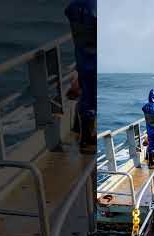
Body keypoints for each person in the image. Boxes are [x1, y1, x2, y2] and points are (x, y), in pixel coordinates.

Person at [65, 0, 97, 150]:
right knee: (93, 98)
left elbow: (68, 11)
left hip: (82, 56)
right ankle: (88, 137)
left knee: (86, 96)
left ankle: (83, 134)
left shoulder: (74, 5)